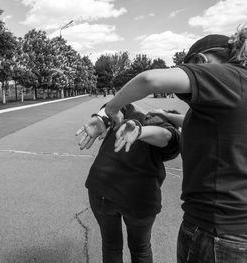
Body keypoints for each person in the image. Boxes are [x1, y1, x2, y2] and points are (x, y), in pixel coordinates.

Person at [103, 25, 247, 262]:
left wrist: (112, 108)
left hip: (216, 232)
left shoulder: (229, 76)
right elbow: (215, 125)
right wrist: (169, 116)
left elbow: (150, 79)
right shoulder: (237, 89)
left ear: (200, 61)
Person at [76, 104, 181, 263]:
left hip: (103, 189)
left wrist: (140, 130)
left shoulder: (148, 122)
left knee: (112, 245)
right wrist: (101, 117)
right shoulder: (130, 112)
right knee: (140, 248)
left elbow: (167, 135)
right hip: (137, 198)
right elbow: (114, 106)